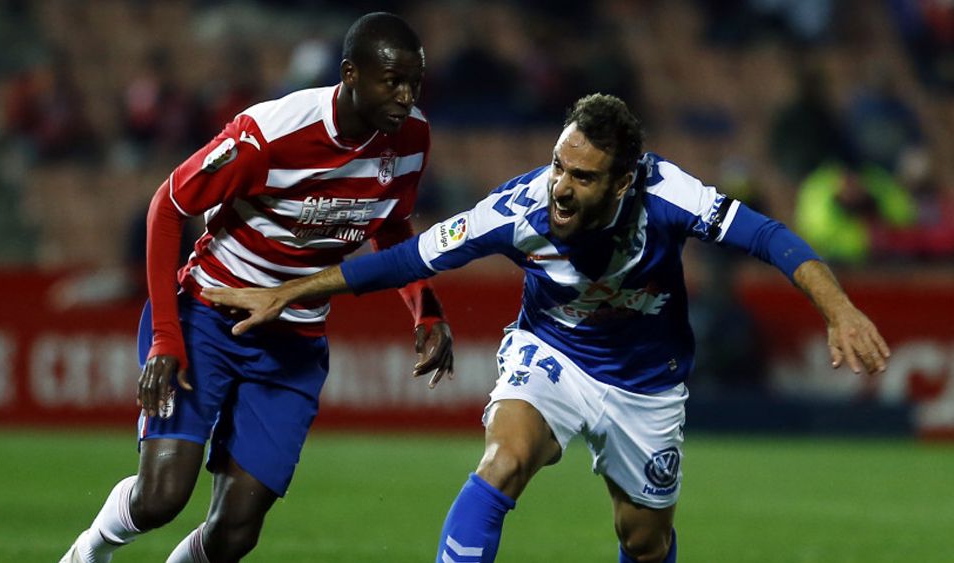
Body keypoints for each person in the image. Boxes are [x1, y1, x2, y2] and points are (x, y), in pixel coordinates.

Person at [203, 93, 891, 563]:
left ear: (622, 183)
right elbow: (404, 259)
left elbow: (767, 236)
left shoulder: (668, 194)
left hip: (646, 385)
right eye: (560, 165)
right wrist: (290, 291)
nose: (561, 186)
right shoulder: (519, 210)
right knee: (504, 460)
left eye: (583, 177)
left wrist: (839, 308)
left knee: (645, 540)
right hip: (552, 353)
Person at [61, 12, 454, 563]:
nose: (406, 97)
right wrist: (166, 338)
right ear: (350, 74)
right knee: (161, 497)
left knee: (235, 532)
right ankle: (88, 552)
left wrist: (424, 309)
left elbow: (390, 225)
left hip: (293, 341)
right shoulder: (270, 133)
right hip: (208, 316)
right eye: (393, 82)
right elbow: (167, 207)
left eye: (414, 82)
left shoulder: (411, 136)